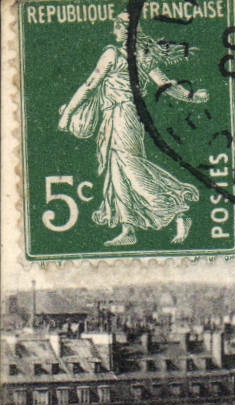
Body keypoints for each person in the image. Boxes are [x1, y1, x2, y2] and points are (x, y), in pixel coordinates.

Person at [57, 14, 211, 246]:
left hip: (123, 116)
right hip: (122, 117)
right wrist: (191, 97)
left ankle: (177, 210)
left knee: (131, 168)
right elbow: (166, 85)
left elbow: (90, 85)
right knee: (117, 171)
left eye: (117, 28)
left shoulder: (113, 55)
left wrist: (68, 113)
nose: (114, 33)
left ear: (126, 31)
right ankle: (128, 229)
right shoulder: (143, 57)